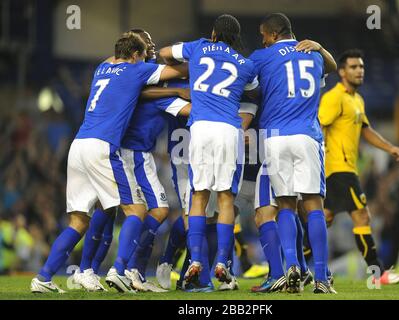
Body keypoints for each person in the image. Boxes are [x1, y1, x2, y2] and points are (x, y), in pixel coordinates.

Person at [30, 32, 187, 293]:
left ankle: (44, 277)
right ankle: (121, 270)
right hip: (103, 147)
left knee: (79, 221)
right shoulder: (136, 71)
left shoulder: (102, 67)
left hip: (78, 145)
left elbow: (118, 57)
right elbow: (179, 70)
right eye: (142, 52)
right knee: (136, 210)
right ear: (136, 56)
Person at [159, 14, 258, 288]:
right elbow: (251, 93)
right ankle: (222, 262)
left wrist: (184, 69)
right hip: (229, 130)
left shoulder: (199, 47)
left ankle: (195, 261)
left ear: (213, 34)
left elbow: (165, 53)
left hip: (200, 129)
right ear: (236, 38)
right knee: (226, 200)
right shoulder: (246, 65)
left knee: (198, 198)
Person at [249, 12, 337, 294]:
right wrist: (321, 47)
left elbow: (244, 79)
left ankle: (291, 268)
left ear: (273, 34)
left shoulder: (262, 57)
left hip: (274, 137)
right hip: (307, 137)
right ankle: (322, 277)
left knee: (285, 205)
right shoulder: (312, 54)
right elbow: (333, 67)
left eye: (264, 35)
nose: (263, 40)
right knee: (313, 207)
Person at [314, 48, 399, 285]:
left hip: (343, 169)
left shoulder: (357, 100)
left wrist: (390, 148)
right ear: (343, 71)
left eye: (362, 67)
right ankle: (378, 274)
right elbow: (319, 125)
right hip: (338, 169)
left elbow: (366, 130)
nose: (360, 71)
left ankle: (299, 268)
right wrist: (318, 160)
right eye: (354, 67)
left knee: (322, 218)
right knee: (362, 216)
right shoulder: (334, 98)